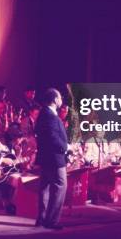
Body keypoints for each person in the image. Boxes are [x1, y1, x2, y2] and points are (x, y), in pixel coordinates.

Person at [35, 88, 68, 230]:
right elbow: (53, 138)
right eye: (60, 97)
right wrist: (66, 147)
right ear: (55, 100)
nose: (61, 100)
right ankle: (51, 221)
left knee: (45, 188)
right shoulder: (50, 116)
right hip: (54, 158)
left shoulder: (43, 114)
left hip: (45, 157)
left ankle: (42, 219)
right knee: (60, 186)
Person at [0, 123, 26, 214]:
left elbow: (13, 162)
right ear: (14, 137)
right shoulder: (0, 143)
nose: (20, 139)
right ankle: (9, 204)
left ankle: (11, 204)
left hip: (7, 172)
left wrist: (20, 156)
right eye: (19, 137)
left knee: (20, 177)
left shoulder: (15, 147)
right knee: (17, 179)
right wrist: (2, 160)